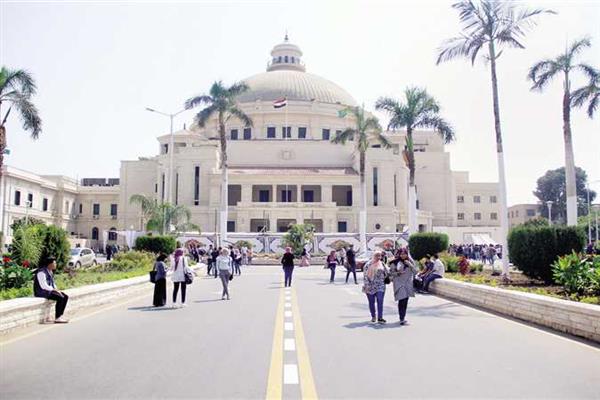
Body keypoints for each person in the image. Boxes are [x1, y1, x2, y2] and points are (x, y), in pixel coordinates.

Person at [33, 257, 69, 323]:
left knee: (65, 296)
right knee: (60, 297)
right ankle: (57, 318)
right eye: (54, 263)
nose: (56, 264)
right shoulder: (41, 272)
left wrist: (56, 289)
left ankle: (60, 316)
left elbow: (52, 283)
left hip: (48, 291)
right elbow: (43, 285)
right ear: (49, 264)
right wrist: (53, 290)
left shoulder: (50, 271)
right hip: (41, 292)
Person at [389, 249, 418, 325]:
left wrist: (409, 264)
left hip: (408, 284)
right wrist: (398, 273)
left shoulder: (410, 262)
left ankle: (403, 317)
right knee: (401, 300)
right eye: (401, 254)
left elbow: (415, 272)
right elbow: (391, 273)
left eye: (404, 254)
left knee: (405, 301)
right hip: (399, 284)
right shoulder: (394, 263)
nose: (403, 255)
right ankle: (401, 318)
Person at [363, 251, 388, 324]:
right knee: (371, 302)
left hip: (380, 285)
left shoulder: (382, 263)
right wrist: (367, 285)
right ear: (373, 256)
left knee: (380, 301)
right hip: (370, 286)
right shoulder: (368, 264)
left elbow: (387, 272)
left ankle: (380, 317)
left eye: (380, 256)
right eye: (377, 255)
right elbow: (365, 276)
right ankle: (373, 316)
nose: (378, 257)